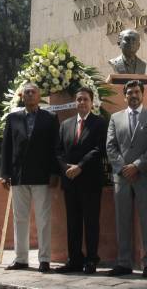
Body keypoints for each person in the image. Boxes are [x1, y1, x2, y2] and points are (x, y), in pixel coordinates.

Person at [1, 82, 60, 273]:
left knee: (43, 219)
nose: (30, 95)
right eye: (27, 92)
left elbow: (55, 148)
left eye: (33, 92)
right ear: (22, 96)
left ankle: (44, 259)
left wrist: (54, 172)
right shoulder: (13, 118)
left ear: (39, 95)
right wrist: (5, 174)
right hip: (19, 176)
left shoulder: (50, 118)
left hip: (42, 176)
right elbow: (7, 147)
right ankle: (21, 259)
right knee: (20, 219)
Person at [105, 79, 147, 277]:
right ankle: (124, 262)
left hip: (145, 176)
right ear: (125, 96)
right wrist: (123, 167)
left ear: (142, 94)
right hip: (122, 178)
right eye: (130, 93)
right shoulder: (115, 118)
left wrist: (137, 165)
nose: (134, 95)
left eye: (137, 92)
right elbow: (110, 146)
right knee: (122, 221)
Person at [55, 87, 108, 275]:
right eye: (79, 99)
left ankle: (91, 259)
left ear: (92, 102)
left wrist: (80, 167)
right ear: (75, 102)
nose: (82, 102)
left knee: (91, 222)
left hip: (90, 181)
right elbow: (58, 151)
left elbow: (99, 149)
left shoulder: (99, 123)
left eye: (85, 99)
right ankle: (74, 260)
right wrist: (66, 168)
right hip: (70, 181)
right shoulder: (65, 124)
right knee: (73, 222)